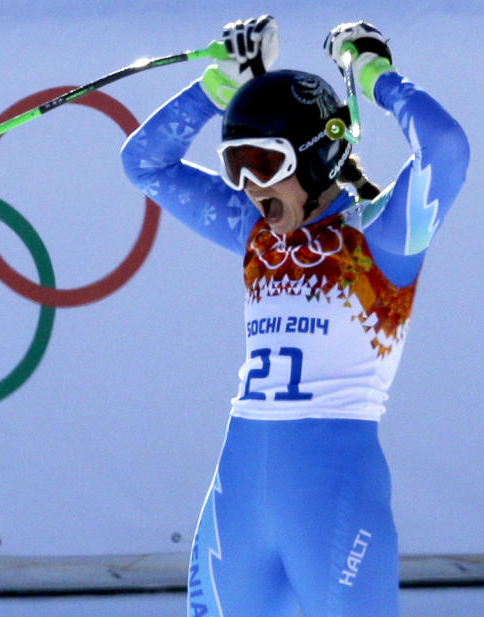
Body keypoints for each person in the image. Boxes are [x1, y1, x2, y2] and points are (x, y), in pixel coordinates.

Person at [120, 16, 469, 617]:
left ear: (318, 154)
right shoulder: (255, 234)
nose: (249, 185)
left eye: (263, 162)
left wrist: (373, 75)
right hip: (240, 493)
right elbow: (144, 164)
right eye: (236, 165)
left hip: (331, 494)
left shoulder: (383, 236)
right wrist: (217, 87)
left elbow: (446, 148)